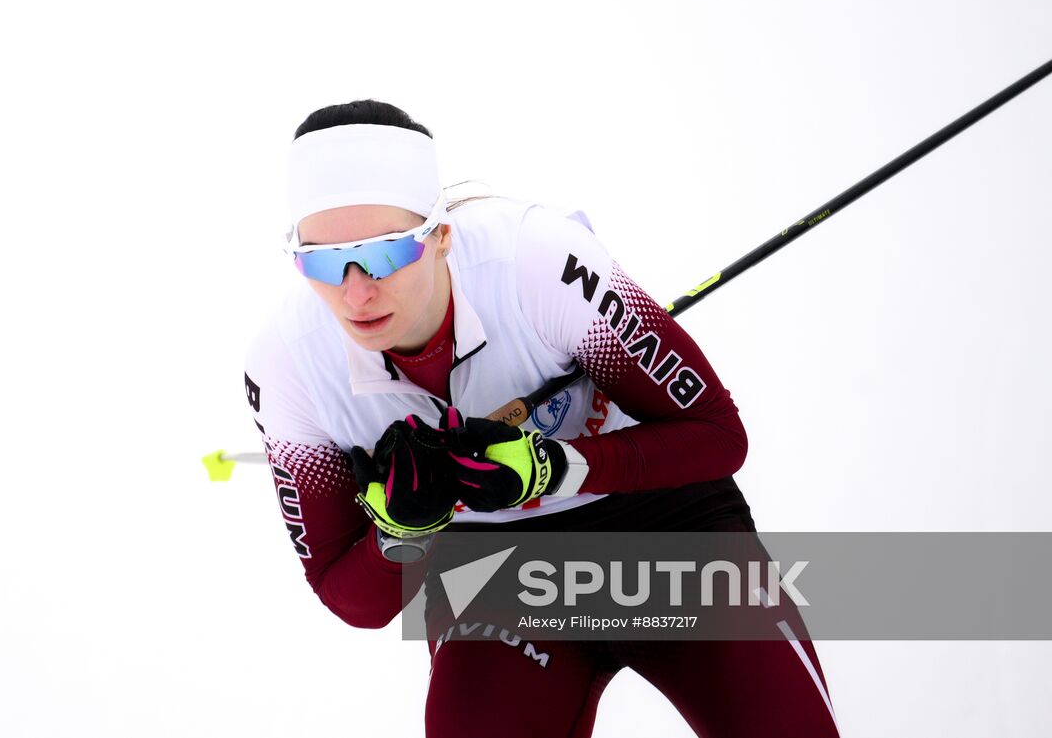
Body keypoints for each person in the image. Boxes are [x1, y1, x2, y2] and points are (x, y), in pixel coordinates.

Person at [242, 100, 840, 737]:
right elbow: (353, 600)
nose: (356, 292)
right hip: (496, 569)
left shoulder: (537, 263)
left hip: (663, 527)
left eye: (386, 254)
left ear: (442, 235)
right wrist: (402, 532)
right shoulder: (288, 366)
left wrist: (557, 468)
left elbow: (721, 436)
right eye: (323, 261)